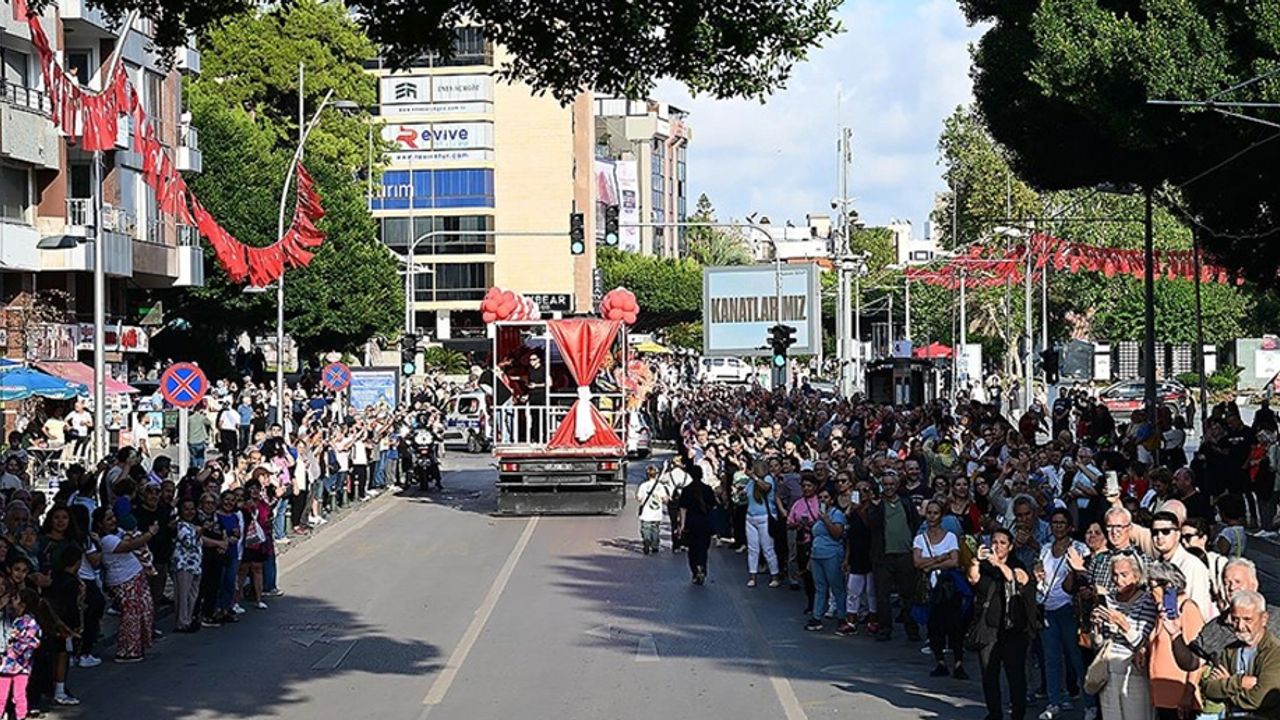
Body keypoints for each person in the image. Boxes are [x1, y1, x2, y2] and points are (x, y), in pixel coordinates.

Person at [967, 528, 1037, 720]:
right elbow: (973, 579)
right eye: (994, 542)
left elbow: (1016, 578)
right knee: (989, 675)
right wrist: (975, 560)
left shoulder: (1017, 564)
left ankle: (1017, 713)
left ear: (1011, 546)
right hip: (989, 629)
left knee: (1015, 676)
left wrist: (998, 564)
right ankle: (994, 712)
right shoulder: (985, 567)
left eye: (1002, 543)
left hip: (1013, 630)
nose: (997, 546)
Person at [1091, 555, 1158, 720]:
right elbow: (1099, 644)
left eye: (1124, 574)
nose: (1118, 579)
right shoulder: (1107, 600)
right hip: (1107, 670)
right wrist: (1096, 627)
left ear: (1136, 576)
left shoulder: (1146, 601)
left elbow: (1143, 643)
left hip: (1133, 672)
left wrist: (1123, 624)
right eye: (1115, 574)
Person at [1036, 509, 1088, 720]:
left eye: (1062, 523)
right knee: (1051, 658)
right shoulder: (1045, 548)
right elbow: (1040, 573)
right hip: (1047, 606)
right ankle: (1054, 701)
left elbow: (1083, 575)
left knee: (1076, 657)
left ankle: (1090, 703)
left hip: (1069, 609)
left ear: (1069, 526)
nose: (1057, 526)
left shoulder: (1079, 548)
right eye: (1054, 522)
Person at [1200, 590, 1280, 718]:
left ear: (1264, 618)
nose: (1240, 626)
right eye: (1235, 619)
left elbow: (1259, 699)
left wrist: (1227, 685)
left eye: (1247, 619)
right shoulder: (1229, 650)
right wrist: (1240, 682)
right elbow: (1209, 689)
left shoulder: (1275, 652)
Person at [91, 508, 156, 663]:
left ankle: (138, 647)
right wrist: (150, 534)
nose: (113, 521)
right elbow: (129, 546)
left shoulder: (118, 533)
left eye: (113, 517)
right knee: (131, 615)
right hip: (123, 580)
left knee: (143, 611)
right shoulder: (107, 540)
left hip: (136, 576)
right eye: (108, 519)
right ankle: (127, 651)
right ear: (100, 524)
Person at [1146, 562, 1206, 720]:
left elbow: (1198, 657)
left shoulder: (1186, 609)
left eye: (1152, 587)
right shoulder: (1163, 612)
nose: (1149, 592)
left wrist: (1188, 693)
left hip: (1179, 696)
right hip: (1163, 695)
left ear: (1168, 586)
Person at [867, 471, 921, 642]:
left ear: (897, 486)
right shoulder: (877, 505)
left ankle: (911, 628)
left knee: (908, 594)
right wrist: (874, 506)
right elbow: (871, 525)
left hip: (905, 554)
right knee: (882, 595)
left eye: (891, 484)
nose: (888, 487)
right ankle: (885, 628)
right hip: (883, 556)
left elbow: (915, 523)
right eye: (886, 484)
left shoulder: (906, 503)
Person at [914, 499, 966, 679]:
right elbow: (917, 562)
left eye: (935, 513)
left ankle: (958, 662)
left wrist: (932, 564)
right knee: (934, 624)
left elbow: (955, 561)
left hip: (949, 587)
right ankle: (940, 662)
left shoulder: (950, 537)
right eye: (929, 513)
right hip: (930, 587)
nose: (932, 517)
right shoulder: (920, 538)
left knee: (955, 625)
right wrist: (939, 559)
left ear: (941, 516)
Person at [805, 482, 847, 633]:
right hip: (817, 555)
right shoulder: (818, 515)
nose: (823, 500)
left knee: (837, 587)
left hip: (832, 554)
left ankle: (842, 616)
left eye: (826, 497)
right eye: (820, 497)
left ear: (832, 499)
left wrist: (826, 520)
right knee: (820, 587)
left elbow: (837, 534)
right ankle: (817, 616)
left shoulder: (836, 514)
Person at [1, 589, 41, 720]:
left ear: (23, 604)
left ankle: (20, 716)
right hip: (9, 665)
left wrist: (10, 645)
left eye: (16, 598)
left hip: (18, 665)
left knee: (18, 695)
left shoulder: (29, 623)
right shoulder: (13, 618)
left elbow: (28, 644)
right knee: (3, 695)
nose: (12, 600)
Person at [676, 463, 717, 585]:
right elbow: (713, 506)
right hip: (705, 522)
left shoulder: (687, 490)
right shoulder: (708, 489)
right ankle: (702, 566)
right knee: (703, 548)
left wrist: (682, 525)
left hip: (691, 523)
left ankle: (695, 571)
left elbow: (683, 509)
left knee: (692, 549)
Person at [743, 463, 781, 588]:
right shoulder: (750, 482)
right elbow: (745, 493)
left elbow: (766, 488)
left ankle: (775, 575)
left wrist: (754, 477)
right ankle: (752, 576)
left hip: (764, 517)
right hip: (750, 517)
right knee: (752, 549)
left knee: (768, 548)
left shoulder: (767, 479)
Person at [635, 465, 670, 556]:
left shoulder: (643, 486)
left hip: (646, 513)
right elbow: (664, 498)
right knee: (655, 529)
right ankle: (655, 546)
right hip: (657, 513)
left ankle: (646, 541)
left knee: (646, 528)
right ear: (656, 475)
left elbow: (639, 498)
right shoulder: (660, 486)